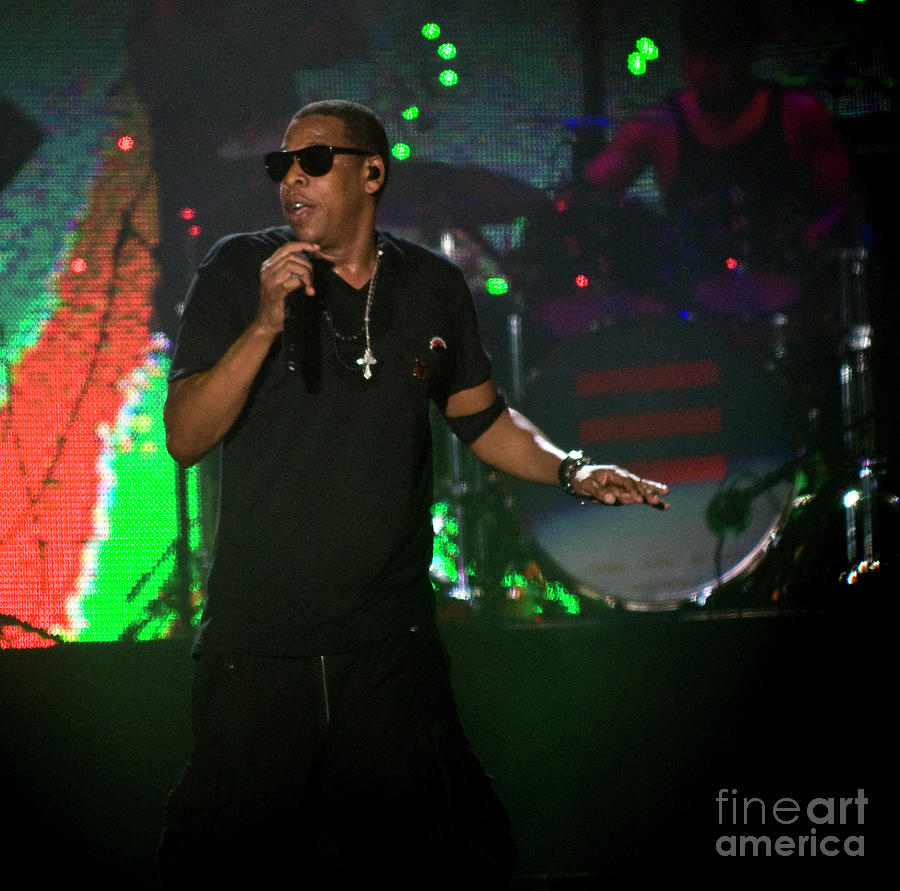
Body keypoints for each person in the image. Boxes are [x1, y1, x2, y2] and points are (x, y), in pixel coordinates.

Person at [156, 99, 668, 887]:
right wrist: (262, 325)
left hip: (388, 651)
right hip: (258, 650)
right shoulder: (239, 270)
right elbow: (186, 436)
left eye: (314, 159)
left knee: (447, 864)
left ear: (372, 172)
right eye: (281, 165)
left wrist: (570, 469)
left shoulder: (430, 285)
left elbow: (484, 419)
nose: (292, 176)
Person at [585, 0, 854, 321]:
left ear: (745, 55)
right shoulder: (657, 126)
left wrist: (819, 236)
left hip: (792, 311)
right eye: (693, 56)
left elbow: (844, 204)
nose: (701, 71)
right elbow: (590, 194)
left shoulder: (799, 113)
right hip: (693, 318)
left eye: (717, 57)